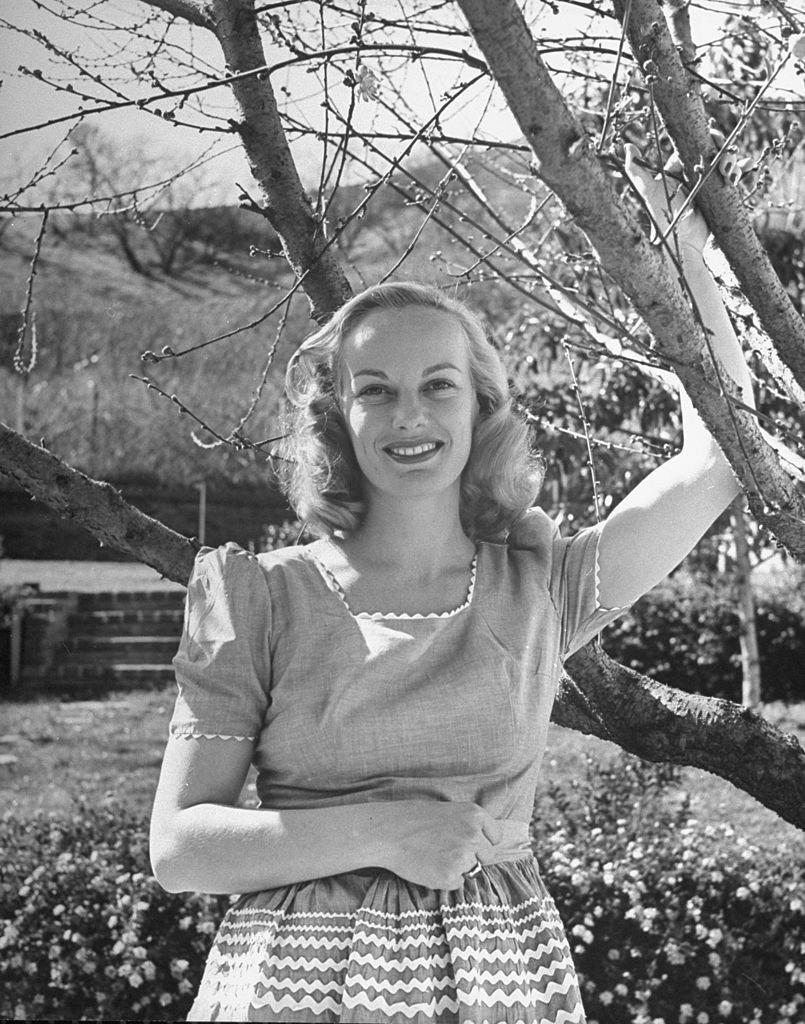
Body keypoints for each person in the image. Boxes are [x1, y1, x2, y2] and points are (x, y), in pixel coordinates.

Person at [149, 151, 753, 1023]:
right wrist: (381, 829)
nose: (409, 416)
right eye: (375, 391)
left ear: (479, 407)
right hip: (289, 986)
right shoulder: (258, 598)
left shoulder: (540, 586)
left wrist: (682, 262)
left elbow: (717, 459)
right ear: (336, 416)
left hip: (498, 984)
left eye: (438, 386)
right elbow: (180, 846)